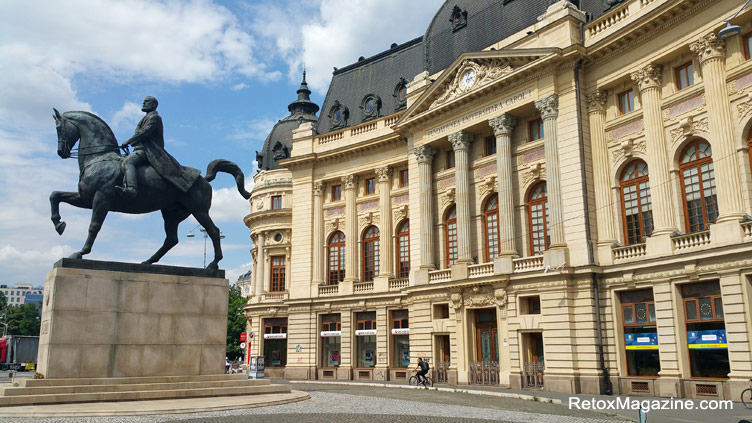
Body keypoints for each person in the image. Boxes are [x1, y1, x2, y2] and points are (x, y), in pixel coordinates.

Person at [115, 96, 198, 198]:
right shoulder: (145, 118)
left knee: (128, 162)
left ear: (153, 105)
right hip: (140, 149)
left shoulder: (155, 117)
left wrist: (128, 141)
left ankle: (132, 189)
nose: (143, 103)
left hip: (149, 151)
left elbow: (144, 133)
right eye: (143, 101)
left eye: (146, 102)